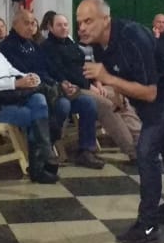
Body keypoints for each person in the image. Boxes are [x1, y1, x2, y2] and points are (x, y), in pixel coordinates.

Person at [77, 0, 164, 243]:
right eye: (79, 22)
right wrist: (117, 97)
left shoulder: (133, 37)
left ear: (106, 20)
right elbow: (118, 74)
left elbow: (150, 93)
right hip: (146, 91)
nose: (82, 27)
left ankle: (148, 224)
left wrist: (107, 79)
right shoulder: (99, 44)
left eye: (88, 21)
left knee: (146, 150)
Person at [0, 10, 104, 169]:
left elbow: (50, 69)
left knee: (87, 103)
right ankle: (44, 147)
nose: (31, 27)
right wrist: (52, 84)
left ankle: (85, 150)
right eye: (26, 23)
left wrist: (62, 82)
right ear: (15, 24)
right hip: (28, 93)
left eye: (33, 23)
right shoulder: (7, 47)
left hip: (49, 89)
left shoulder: (33, 46)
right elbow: (22, 73)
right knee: (63, 105)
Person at [0, 17, 58, 184]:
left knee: (39, 98)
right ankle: (41, 161)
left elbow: (13, 71)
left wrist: (30, 77)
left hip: (11, 100)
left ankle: (42, 158)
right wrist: (16, 83)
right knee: (35, 116)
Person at [43, 14, 136, 161]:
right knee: (106, 105)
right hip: (71, 89)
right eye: (59, 25)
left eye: (66, 25)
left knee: (120, 95)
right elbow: (64, 74)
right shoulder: (48, 48)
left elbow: (86, 66)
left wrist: (97, 82)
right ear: (50, 27)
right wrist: (90, 87)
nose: (64, 28)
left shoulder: (70, 44)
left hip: (89, 85)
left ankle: (141, 141)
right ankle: (133, 151)